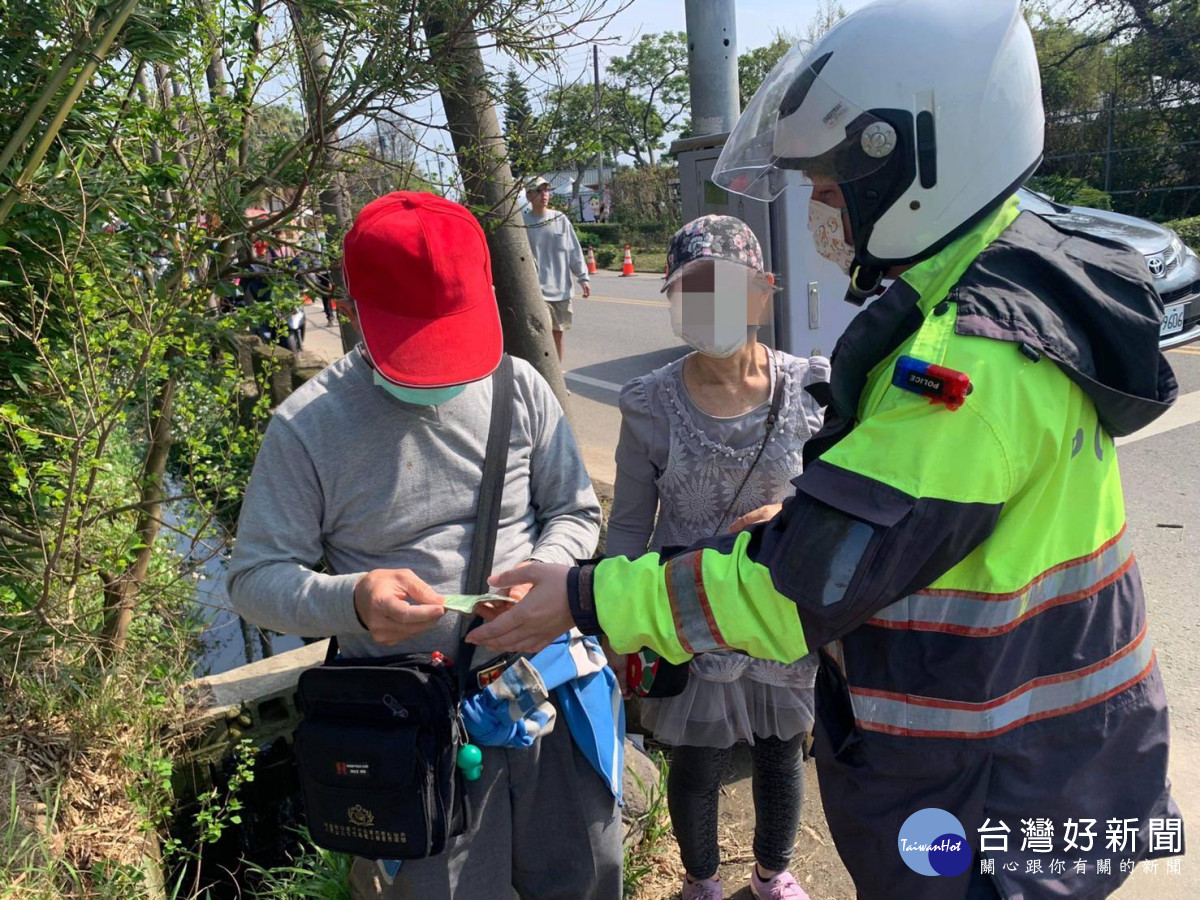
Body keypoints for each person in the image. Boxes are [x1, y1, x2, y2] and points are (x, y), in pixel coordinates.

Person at [470, 2, 1184, 899]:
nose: (815, 206)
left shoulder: (969, 367)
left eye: (830, 182)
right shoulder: (1013, 286)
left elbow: (792, 591)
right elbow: (908, 524)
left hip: (994, 788)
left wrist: (581, 597)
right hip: (1058, 745)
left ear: (917, 162)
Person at [227, 191, 623, 899]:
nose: (440, 370)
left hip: (548, 694)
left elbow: (573, 508)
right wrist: (352, 600)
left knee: (586, 873)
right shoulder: (306, 429)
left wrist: (554, 569)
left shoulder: (520, 386)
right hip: (405, 729)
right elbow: (255, 579)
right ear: (348, 307)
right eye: (416, 342)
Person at [607, 215, 825, 900]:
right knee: (696, 765)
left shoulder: (813, 390)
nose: (710, 309)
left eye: (726, 291)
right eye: (691, 293)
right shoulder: (649, 403)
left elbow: (841, 503)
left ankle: (770, 873)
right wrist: (617, 623)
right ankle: (701, 882)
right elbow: (628, 527)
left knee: (780, 755)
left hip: (780, 615)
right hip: (688, 618)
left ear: (763, 293)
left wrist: (789, 518)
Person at [522, 176, 590, 362]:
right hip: (536, 292)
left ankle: (556, 378)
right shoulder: (522, 223)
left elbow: (573, 249)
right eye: (538, 191)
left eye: (546, 190)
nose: (544, 195)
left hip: (561, 290)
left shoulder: (560, 219)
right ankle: (542, 378)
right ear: (528, 195)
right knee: (540, 337)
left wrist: (583, 278)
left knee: (557, 335)